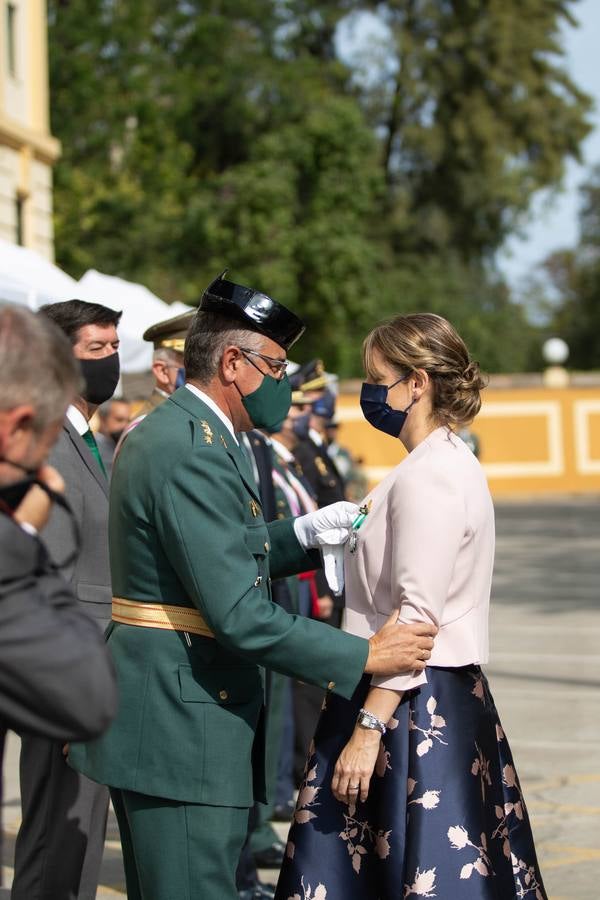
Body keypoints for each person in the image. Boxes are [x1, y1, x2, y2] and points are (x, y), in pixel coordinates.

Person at [68, 272, 437, 900]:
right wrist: (366, 655)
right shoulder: (190, 446)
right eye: (274, 365)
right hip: (180, 723)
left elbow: (217, 549)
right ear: (233, 363)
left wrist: (300, 535)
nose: (283, 383)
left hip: (169, 710)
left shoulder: (202, 434)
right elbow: (237, 612)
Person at [276, 313, 547, 900]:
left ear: (417, 383)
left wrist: (368, 729)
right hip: (417, 692)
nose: (370, 393)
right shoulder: (432, 463)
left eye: (378, 378)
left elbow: (416, 617)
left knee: (414, 869)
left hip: (412, 703)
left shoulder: (433, 475)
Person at [0, 305, 117, 874]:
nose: (111, 362)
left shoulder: (93, 442)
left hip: (67, 663)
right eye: (96, 349)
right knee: (55, 848)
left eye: (114, 348)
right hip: (54, 672)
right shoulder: (49, 450)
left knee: (73, 847)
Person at [95, 397, 131, 476]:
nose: (125, 426)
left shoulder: (123, 447)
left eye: (128, 420)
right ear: (103, 419)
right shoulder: (93, 449)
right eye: (119, 420)